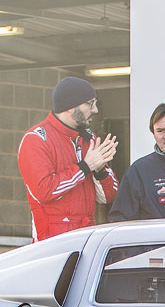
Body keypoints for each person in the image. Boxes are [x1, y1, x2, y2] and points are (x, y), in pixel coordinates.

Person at [18, 76, 120, 241]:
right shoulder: (36, 139)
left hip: (87, 235)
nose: (95, 110)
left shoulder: (89, 138)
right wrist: (85, 167)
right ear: (71, 107)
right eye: (90, 103)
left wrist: (100, 169)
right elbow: (44, 191)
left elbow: (108, 196)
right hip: (52, 241)